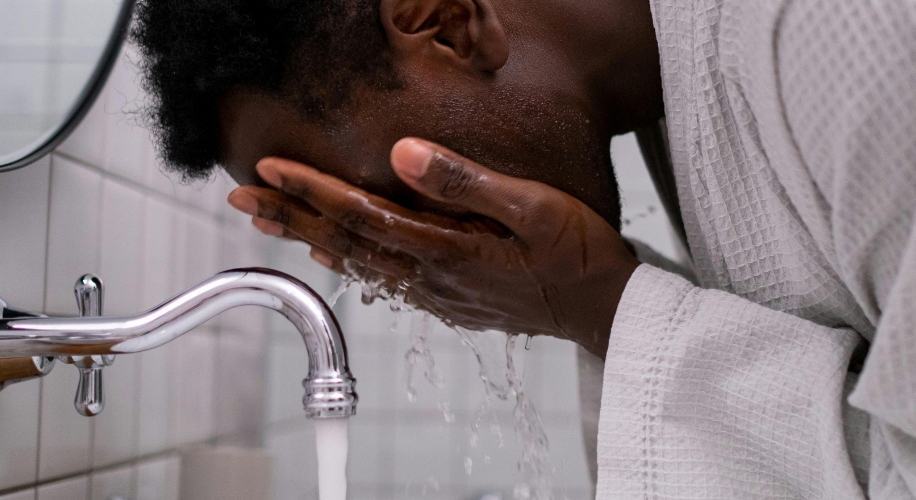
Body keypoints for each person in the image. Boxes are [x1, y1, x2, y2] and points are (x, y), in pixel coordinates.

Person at [132, 0, 916, 498]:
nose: (421, 258)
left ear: (445, 20)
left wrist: (608, 309)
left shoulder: (836, 29)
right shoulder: (666, 95)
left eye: (390, 204)